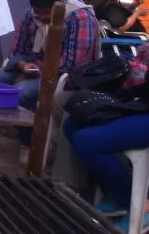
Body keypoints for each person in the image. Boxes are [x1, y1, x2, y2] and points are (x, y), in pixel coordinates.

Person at [0, 0, 99, 152]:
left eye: (46, 13)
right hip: (27, 67)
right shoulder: (30, 16)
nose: (41, 17)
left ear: (59, 5)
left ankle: (30, 143)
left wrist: (37, 69)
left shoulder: (79, 18)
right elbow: (16, 51)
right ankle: (8, 125)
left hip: (61, 75)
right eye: (38, 12)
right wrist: (22, 64)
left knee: (20, 94)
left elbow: (73, 65)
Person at [63, 81, 149, 232]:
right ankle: (118, 194)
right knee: (73, 124)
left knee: (87, 140)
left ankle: (141, 206)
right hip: (142, 105)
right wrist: (119, 97)